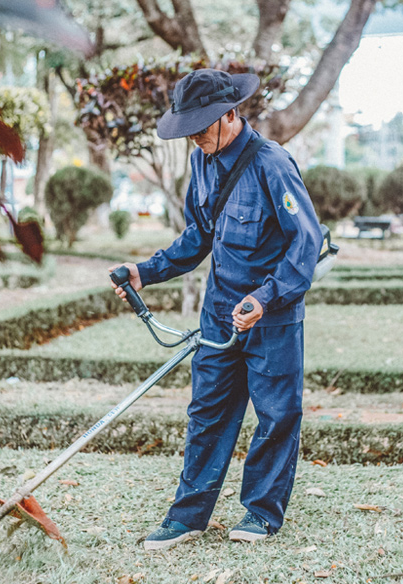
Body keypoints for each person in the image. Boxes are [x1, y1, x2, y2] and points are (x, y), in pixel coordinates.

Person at [109, 68, 324, 550]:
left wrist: (265, 298)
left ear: (231, 115)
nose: (197, 139)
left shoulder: (272, 163)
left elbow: (305, 243)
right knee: (207, 414)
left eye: (202, 128)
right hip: (219, 314)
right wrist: (147, 271)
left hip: (272, 316)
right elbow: (198, 236)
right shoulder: (201, 163)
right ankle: (187, 517)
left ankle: (262, 513)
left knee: (276, 416)